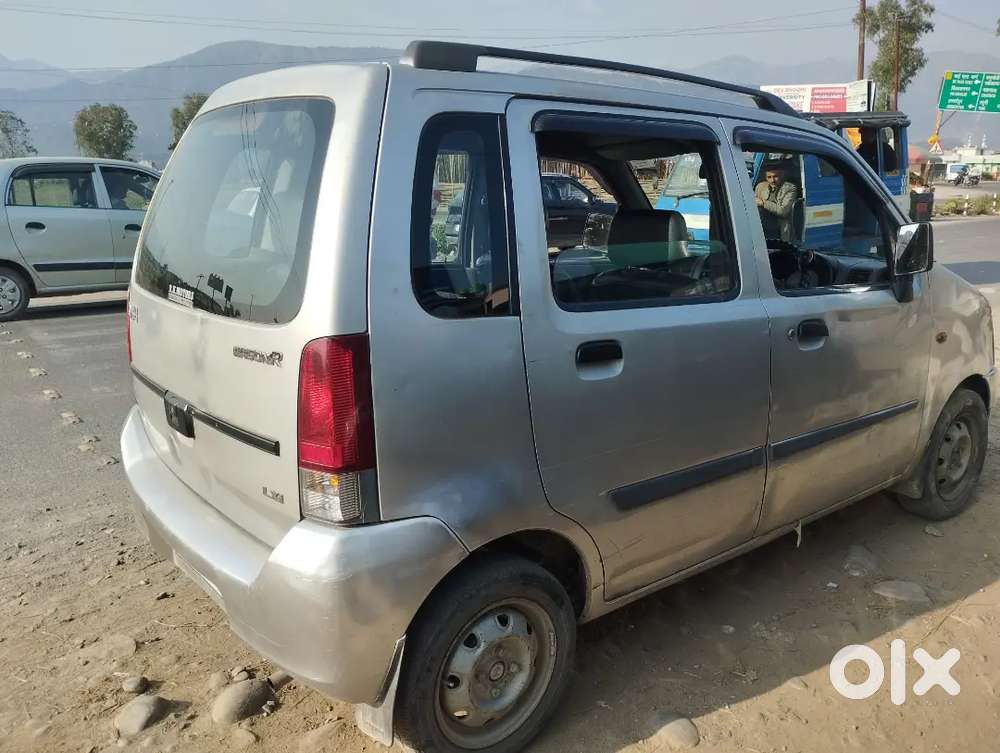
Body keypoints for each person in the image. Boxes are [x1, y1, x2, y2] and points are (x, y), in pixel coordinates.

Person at [755, 165, 799, 242]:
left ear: (782, 176)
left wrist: (763, 203)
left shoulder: (790, 188)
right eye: (769, 177)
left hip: (779, 224)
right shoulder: (760, 186)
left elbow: (783, 212)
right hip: (761, 222)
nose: (772, 180)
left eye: (775, 176)